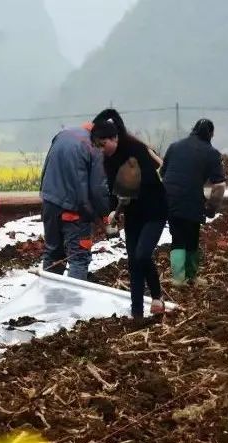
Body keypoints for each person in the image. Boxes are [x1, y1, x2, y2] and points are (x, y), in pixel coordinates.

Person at [92, 109, 167, 319]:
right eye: (98, 146)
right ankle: (137, 314)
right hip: (133, 215)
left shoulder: (136, 149)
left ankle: (157, 296)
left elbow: (152, 179)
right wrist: (111, 209)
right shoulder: (108, 161)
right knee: (134, 261)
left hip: (155, 209)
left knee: (143, 254)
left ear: (114, 138)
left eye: (103, 144)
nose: (101, 150)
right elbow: (112, 190)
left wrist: (132, 188)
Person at [39, 121, 114, 280]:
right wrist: (104, 215)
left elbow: (46, 168)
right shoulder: (95, 146)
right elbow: (98, 188)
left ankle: (50, 298)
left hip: (49, 203)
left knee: (53, 253)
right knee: (79, 258)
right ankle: (74, 302)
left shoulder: (62, 135)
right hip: (74, 210)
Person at [161, 118, 227, 285]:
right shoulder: (211, 153)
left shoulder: (174, 146)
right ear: (211, 134)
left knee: (177, 238)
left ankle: (178, 278)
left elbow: (162, 173)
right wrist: (211, 208)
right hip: (192, 200)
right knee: (192, 238)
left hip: (170, 199)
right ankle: (191, 277)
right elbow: (219, 186)